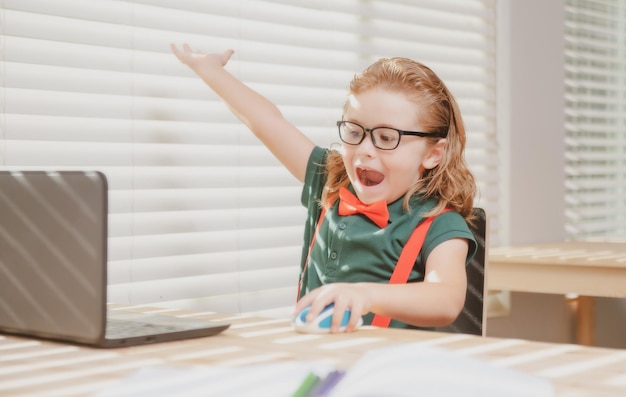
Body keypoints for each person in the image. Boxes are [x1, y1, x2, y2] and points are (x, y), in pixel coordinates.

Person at [171, 43, 478, 333]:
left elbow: (446, 298)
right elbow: (265, 120)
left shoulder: (440, 222)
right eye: (355, 131)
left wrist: (365, 295)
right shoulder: (330, 181)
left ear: (432, 153)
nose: (365, 150)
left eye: (386, 138)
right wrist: (209, 70)